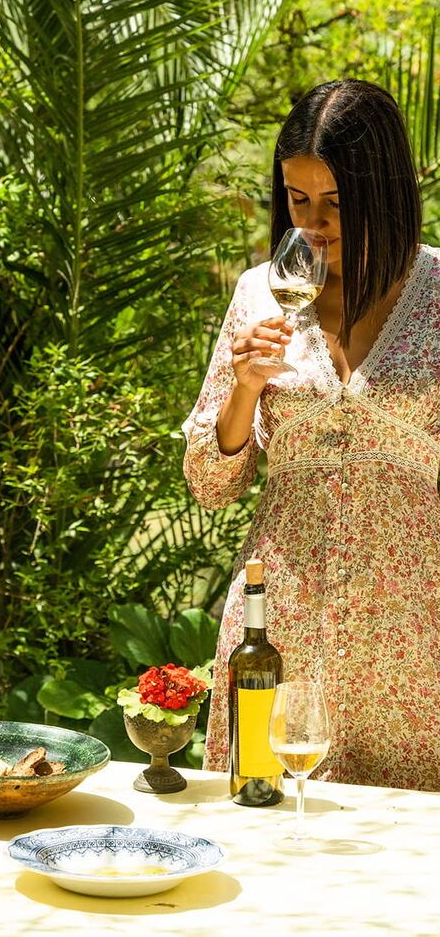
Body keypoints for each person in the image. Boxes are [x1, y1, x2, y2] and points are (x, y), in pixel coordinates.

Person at [182, 79, 440, 792]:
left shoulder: (439, 295)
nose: (316, 223)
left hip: (415, 635)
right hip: (283, 626)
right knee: (271, 828)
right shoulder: (260, 294)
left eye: (337, 201)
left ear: (384, 193)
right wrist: (245, 387)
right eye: (299, 201)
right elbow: (211, 483)